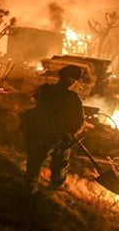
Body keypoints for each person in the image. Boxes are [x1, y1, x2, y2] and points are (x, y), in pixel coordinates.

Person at [20, 65, 84, 195]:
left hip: (41, 131)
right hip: (54, 134)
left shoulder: (45, 90)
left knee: (35, 160)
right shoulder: (72, 97)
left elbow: (31, 104)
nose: (73, 83)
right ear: (71, 81)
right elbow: (78, 119)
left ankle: (30, 187)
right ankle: (54, 187)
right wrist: (70, 133)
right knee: (60, 158)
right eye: (73, 80)